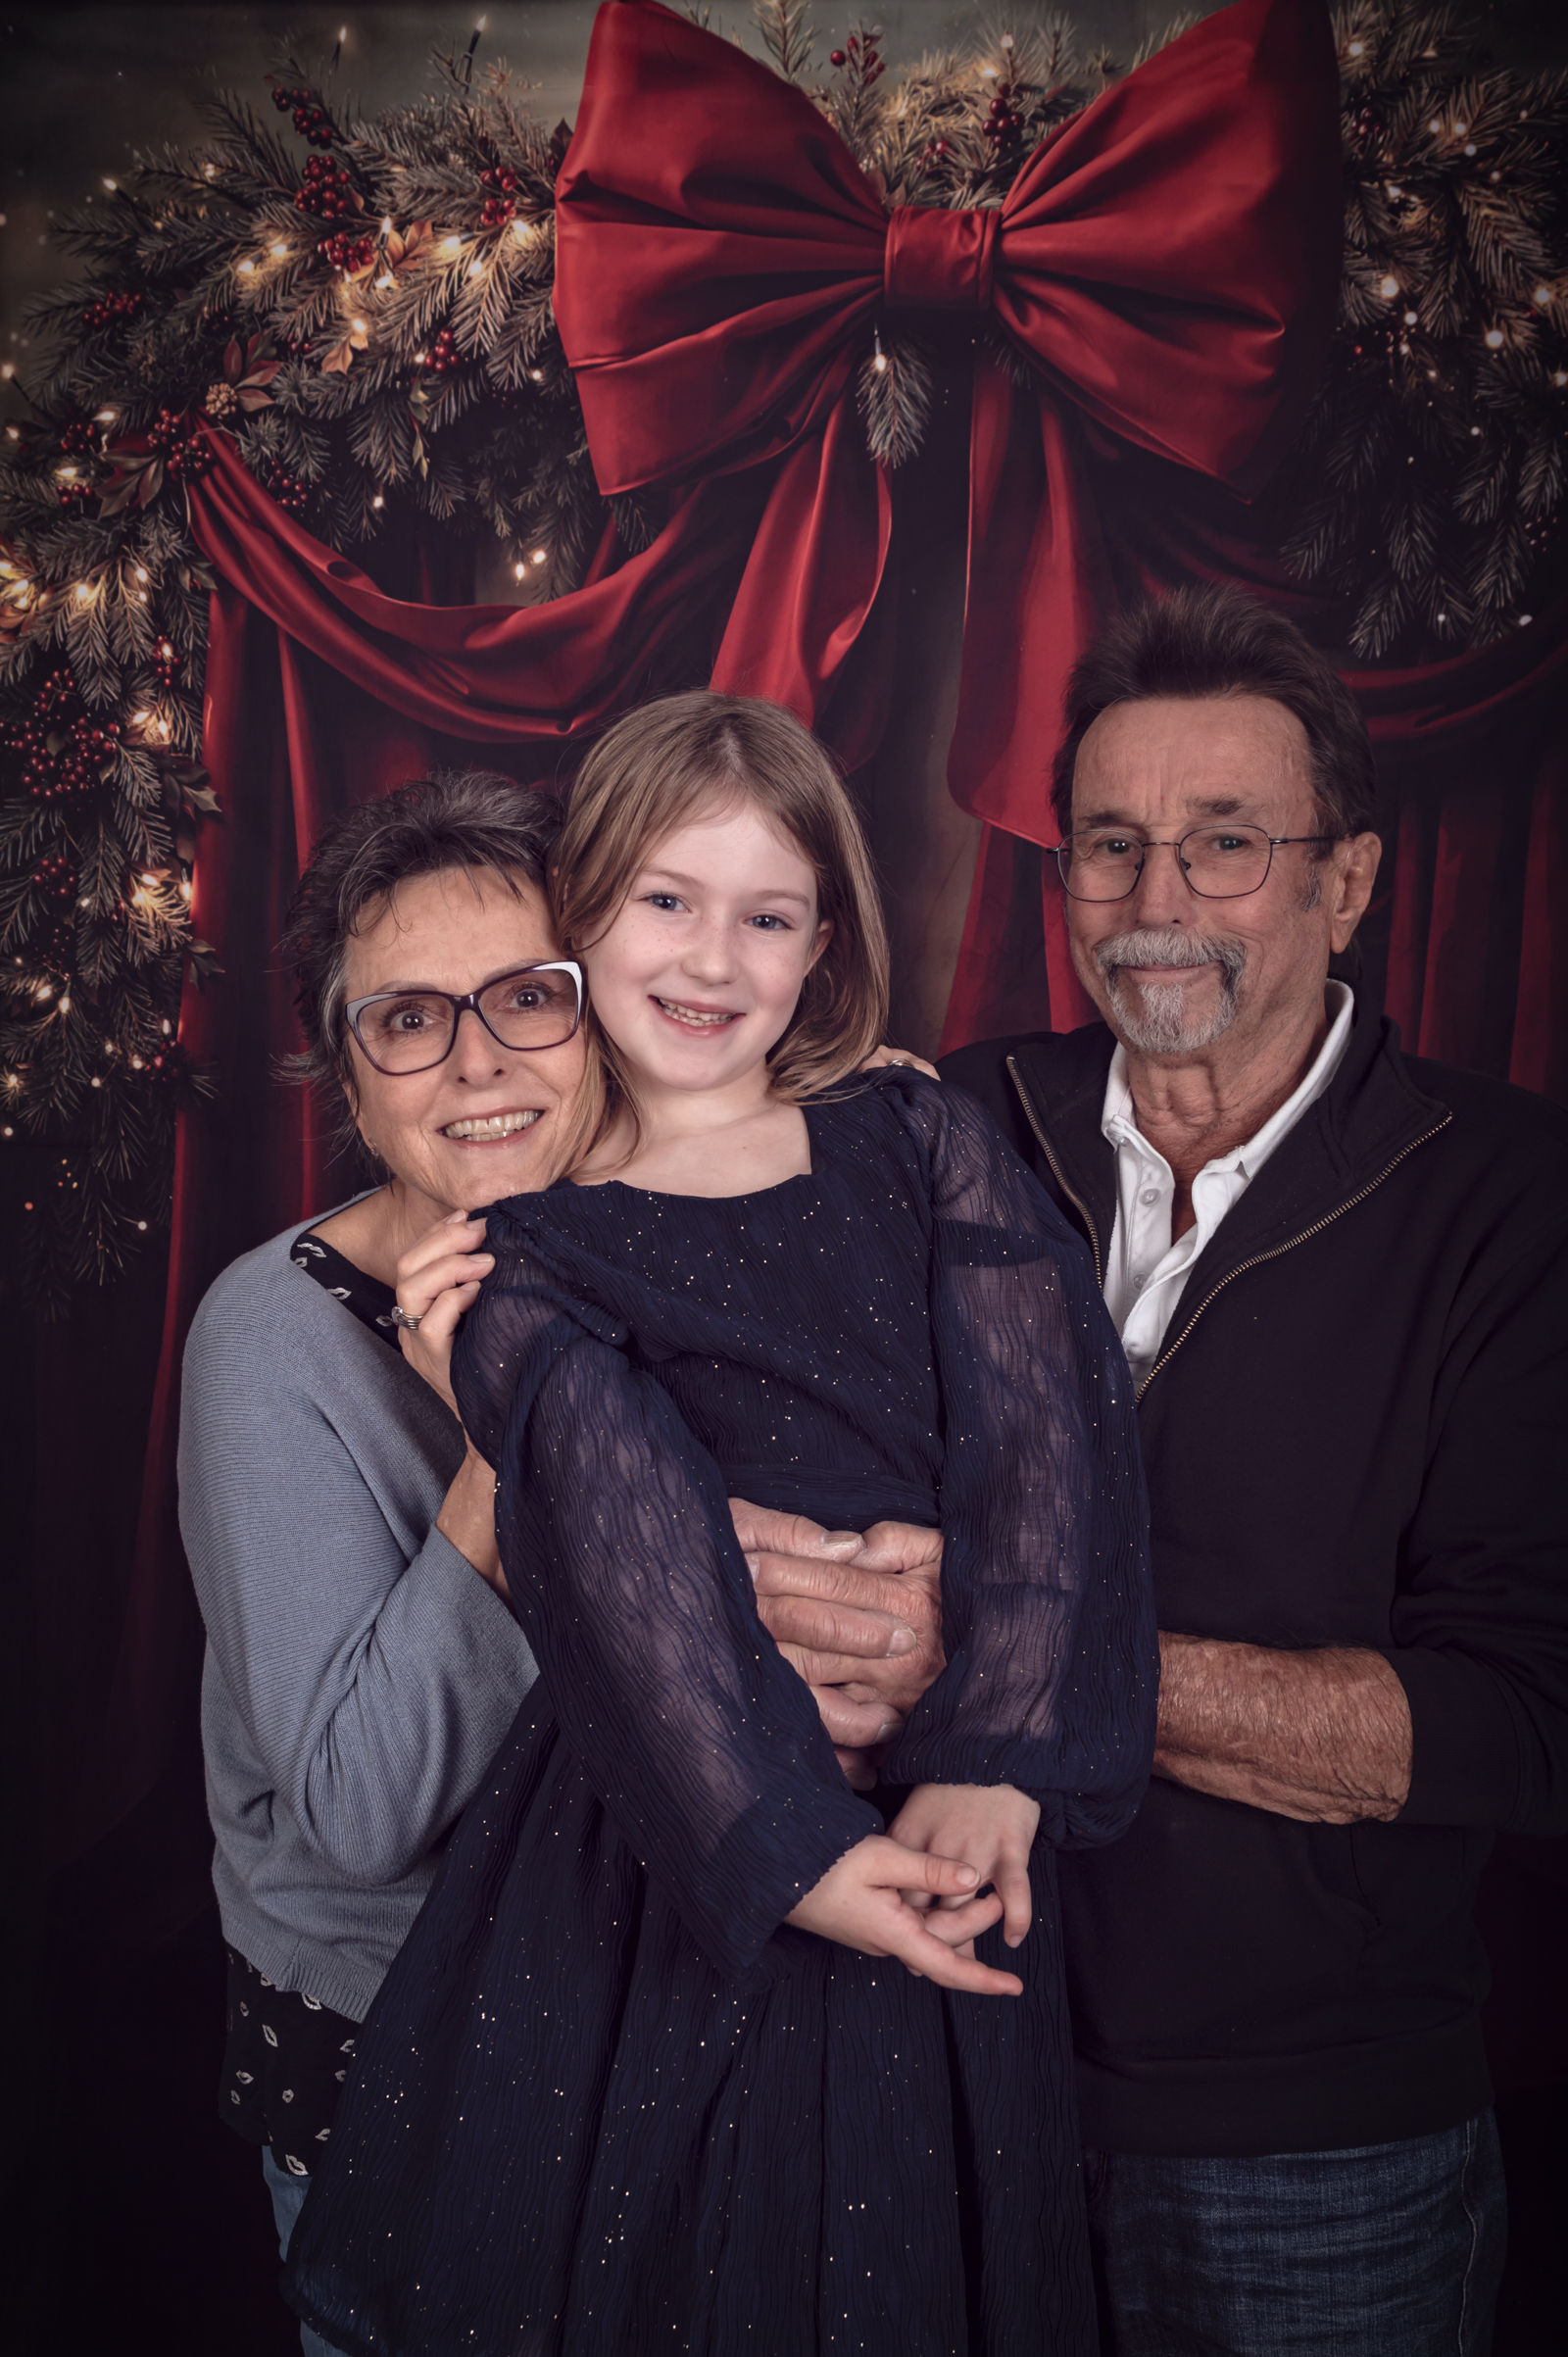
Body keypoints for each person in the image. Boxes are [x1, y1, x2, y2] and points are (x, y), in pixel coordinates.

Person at [282, 692, 1158, 2357]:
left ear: (824, 947)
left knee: (909, 2253)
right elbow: (617, 1520)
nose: (711, 956)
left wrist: (999, 1751)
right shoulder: (525, 1241)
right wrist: (793, 1851)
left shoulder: (914, 1135)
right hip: (668, 1832)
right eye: (666, 900)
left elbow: (1046, 1423)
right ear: (581, 920)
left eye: (767, 916)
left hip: (948, 1803)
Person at [177, 769, 945, 2353]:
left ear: (608, 1009)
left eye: (528, 995)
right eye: (408, 1020)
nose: (478, 1062)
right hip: (406, 2083)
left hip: (684, 2056)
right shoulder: (272, 1339)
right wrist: (507, 1447)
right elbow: (364, 1808)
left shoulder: (687, 1240)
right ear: (349, 1073)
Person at [927, 586, 1568, 2354]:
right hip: (950, 2079)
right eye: (1111, 846)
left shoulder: (1509, 1199)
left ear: (1346, 880)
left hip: (1317, 2148)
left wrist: (1005, 1661)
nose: (1158, 903)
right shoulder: (953, 1128)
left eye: (1227, 845)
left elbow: (1521, 1722)